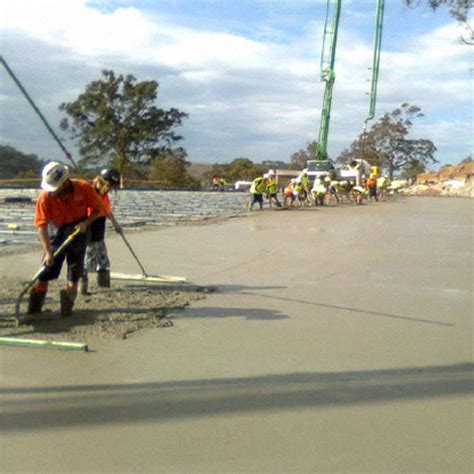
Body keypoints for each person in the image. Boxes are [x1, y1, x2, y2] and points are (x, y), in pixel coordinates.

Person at [29, 162, 104, 317]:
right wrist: (48, 251)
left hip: (79, 230)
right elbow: (41, 225)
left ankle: (67, 308)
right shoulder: (45, 197)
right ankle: (34, 309)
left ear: (65, 183)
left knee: (74, 271)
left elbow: (97, 210)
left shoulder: (83, 188)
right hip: (56, 231)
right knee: (45, 271)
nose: (53, 192)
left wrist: (85, 223)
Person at [80, 169, 122, 295]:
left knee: (102, 256)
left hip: (100, 226)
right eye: (109, 186)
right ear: (103, 182)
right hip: (89, 226)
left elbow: (108, 210)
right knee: (88, 256)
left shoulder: (104, 195)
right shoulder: (91, 191)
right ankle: (83, 285)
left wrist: (116, 225)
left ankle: (103, 283)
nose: (109, 189)